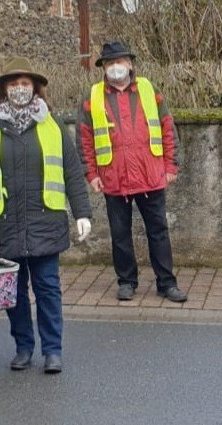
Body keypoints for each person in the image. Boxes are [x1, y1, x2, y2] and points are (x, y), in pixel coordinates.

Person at [0, 57, 92, 374]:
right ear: (3, 89)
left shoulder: (52, 125)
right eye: (14, 84)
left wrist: (82, 213)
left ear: (35, 88)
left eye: (25, 84)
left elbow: (72, 171)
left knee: (47, 287)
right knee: (13, 291)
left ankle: (53, 350)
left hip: (44, 221)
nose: (20, 89)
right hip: (1, 225)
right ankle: (23, 347)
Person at [78, 41, 187, 303]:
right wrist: (90, 173)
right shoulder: (92, 99)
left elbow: (167, 129)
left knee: (158, 232)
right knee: (120, 235)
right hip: (114, 178)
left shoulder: (150, 91)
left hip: (151, 176)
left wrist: (171, 166)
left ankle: (166, 283)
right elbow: (84, 139)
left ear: (130, 64)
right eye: (110, 63)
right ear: (103, 68)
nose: (115, 67)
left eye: (120, 61)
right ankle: (126, 282)